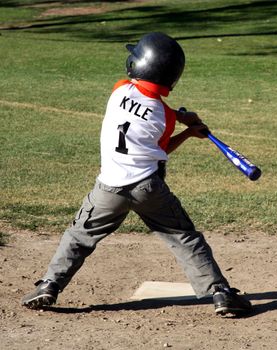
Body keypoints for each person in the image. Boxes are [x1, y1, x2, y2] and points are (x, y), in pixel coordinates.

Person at [21, 32, 253, 316]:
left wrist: (185, 122)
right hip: (148, 188)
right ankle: (220, 293)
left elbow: (141, 104)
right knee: (185, 238)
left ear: (139, 64)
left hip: (108, 190)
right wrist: (189, 130)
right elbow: (162, 146)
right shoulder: (164, 117)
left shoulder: (119, 90)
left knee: (78, 237)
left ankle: (49, 285)